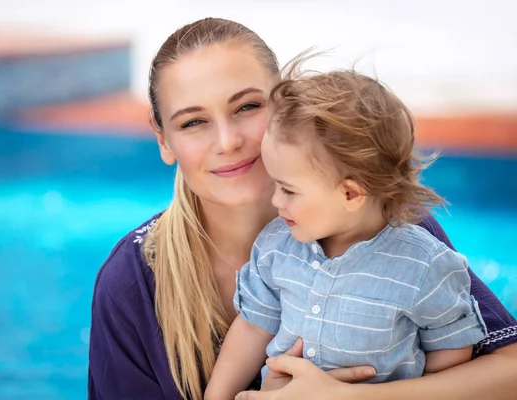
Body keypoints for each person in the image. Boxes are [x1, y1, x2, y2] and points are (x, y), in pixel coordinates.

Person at [87, 17, 517, 400]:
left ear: (284, 104)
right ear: (163, 139)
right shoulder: (133, 282)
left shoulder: (377, 221)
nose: (227, 141)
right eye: (193, 122)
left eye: (248, 107)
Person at [204, 63, 488, 400]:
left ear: (351, 194)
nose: (276, 200)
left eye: (288, 190)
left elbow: (453, 349)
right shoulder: (276, 246)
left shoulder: (425, 267)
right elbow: (253, 326)